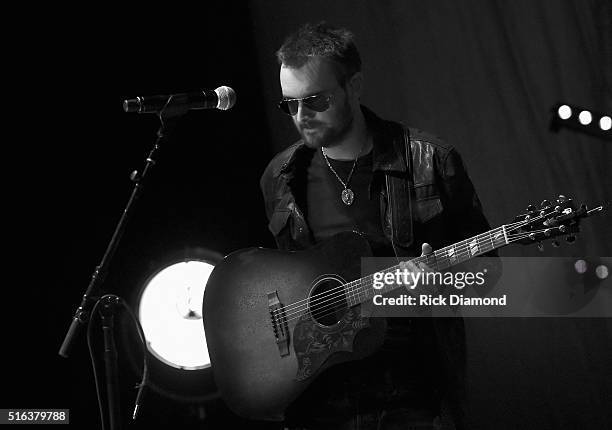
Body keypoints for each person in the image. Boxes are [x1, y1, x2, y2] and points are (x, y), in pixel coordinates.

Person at [260, 22, 499, 430]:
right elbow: (280, 286)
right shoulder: (279, 177)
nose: (301, 118)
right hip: (320, 394)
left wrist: (432, 287)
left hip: (412, 388)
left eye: (315, 101)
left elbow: (491, 276)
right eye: (290, 105)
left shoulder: (432, 160)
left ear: (354, 86)